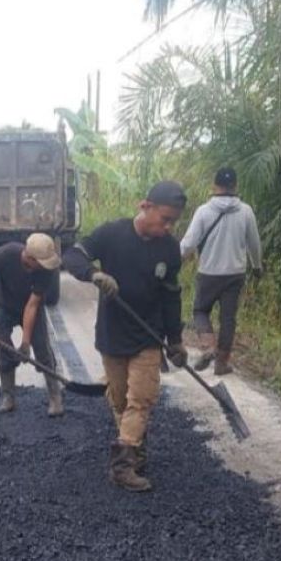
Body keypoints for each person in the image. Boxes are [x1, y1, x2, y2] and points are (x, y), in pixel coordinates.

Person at [63, 181, 189, 493]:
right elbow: (73, 256)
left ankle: (121, 467)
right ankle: (135, 448)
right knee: (119, 400)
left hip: (148, 335)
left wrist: (174, 339)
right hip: (113, 332)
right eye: (165, 219)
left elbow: (172, 295)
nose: (168, 226)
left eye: (174, 221)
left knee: (142, 398)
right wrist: (94, 274)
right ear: (144, 206)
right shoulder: (112, 234)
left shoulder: (170, 250)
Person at [0, 233, 64, 416]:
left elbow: (32, 305)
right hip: (3, 302)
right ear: (30, 258)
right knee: (2, 347)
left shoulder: (46, 271)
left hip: (30, 305)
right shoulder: (5, 254)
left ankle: (55, 396)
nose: (45, 266)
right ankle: (8, 397)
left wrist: (26, 343)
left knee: (42, 349)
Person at [179, 167, 262, 375]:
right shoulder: (246, 211)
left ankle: (208, 346)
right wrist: (257, 265)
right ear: (235, 186)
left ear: (214, 186)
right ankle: (222, 364)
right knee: (228, 319)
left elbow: (188, 244)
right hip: (235, 274)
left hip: (208, 273)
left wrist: (175, 259)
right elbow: (254, 244)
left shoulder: (203, 211)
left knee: (200, 311)